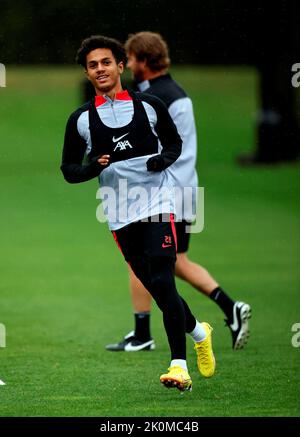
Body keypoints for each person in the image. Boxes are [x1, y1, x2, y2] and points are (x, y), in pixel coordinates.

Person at [60, 35, 216, 391]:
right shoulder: (81, 119)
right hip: (117, 213)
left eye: (105, 62)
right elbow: (68, 169)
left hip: (159, 204)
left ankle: (179, 367)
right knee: (158, 289)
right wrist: (92, 167)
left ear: (120, 65)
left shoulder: (150, 105)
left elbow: (175, 143)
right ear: (87, 73)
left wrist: (162, 160)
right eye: (92, 65)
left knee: (163, 278)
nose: (99, 69)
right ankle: (197, 330)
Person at [105, 32, 251, 353]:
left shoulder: (158, 98)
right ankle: (230, 308)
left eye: (130, 59)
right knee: (175, 262)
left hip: (164, 192)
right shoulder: (172, 92)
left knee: (141, 260)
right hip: (184, 187)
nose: (127, 65)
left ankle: (143, 334)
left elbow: (148, 145)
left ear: (143, 60)